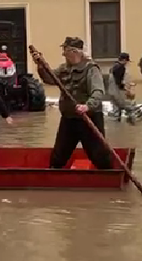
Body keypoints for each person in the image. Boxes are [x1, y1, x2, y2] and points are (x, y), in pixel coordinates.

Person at [34, 37, 112, 170]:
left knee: (99, 154)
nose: (63, 54)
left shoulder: (91, 69)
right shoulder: (64, 68)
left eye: (65, 50)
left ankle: (109, 177)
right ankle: (53, 175)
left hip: (89, 118)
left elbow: (98, 91)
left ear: (74, 52)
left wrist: (87, 106)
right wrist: (40, 65)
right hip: (69, 118)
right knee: (59, 154)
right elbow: (50, 79)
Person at [108, 52, 136, 125]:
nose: (127, 63)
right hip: (118, 92)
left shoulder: (113, 66)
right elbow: (119, 81)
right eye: (127, 61)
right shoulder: (121, 67)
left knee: (116, 110)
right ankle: (132, 124)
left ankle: (117, 128)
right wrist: (126, 89)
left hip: (111, 91)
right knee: (128, 107)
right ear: (124, 60)